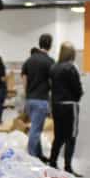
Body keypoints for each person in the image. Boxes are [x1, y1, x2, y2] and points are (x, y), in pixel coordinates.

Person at [48, 42, 83, 175]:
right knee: (71, 137)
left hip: (56, 105)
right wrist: (79, 95)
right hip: (70, 105)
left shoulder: (53, 68)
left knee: (58, 136)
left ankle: (52, 162)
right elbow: (77, 88)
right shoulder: (71, 68)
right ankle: (68, 167)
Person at [21, 33, 53, 161]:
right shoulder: (50, 62)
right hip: (41, 100)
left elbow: (24, 78)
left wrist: (27, 94)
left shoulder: (29, 60)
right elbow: (52, 82)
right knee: (35, 130)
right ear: (50, 45)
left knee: (36, 127)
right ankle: (31, 157)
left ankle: (38, 154)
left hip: (30, 99)